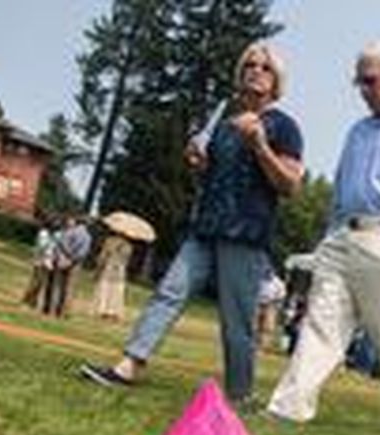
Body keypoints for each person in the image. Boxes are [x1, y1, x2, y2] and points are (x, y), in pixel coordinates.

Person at [80, 41, 304, 405]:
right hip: (205, 228)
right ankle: (128, 366)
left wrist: (260, 145)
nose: (255, 70)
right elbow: (216, 178)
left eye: (264, 67)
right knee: (169, 293)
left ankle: (240, 394)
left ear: (276, 78)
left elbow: (290, 185)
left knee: (237, 321)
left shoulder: (284, 126)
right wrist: (199, 160)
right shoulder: (225, 123)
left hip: (245, 235)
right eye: (249, 64)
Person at [265, 41, 380, 435]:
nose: (364, 89)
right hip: (342, 238)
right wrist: (329, 234)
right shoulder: (357, 130)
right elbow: (342, 185)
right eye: (358, 82)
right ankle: (289, 407)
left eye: (371, 80)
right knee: (321, 322)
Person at [45, 214, 92, 317]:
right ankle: (63, 312)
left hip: (62, 260)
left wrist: (66, 255)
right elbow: (83, 253)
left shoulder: (69, 231)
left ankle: (52, 310)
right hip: (75, 264)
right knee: (69, 288)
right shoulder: (88, 237)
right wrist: (72, 259)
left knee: (57, 286)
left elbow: (62, 243)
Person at [91, 233, 132, 321]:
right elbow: (126, 260)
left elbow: (103, 256)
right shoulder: (128, 246)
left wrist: (98, 267)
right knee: (116, 291)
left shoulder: (109, 241)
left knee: (105, 289)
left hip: (109, 267)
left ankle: (102, 309)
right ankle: (112, 311)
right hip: (120, 269)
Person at [22, 221, 57, 308]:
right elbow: (42, 246)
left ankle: (34, 300)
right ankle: (28, 299)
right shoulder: (44, 233)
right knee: (36, 281)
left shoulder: (52, 235)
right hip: (41, 259)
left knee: (41, 282)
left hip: (47, 260)